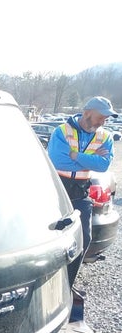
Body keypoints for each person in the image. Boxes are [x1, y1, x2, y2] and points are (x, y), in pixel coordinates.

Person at [47, 96, 117, 289]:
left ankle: (67, 284)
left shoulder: (105, 137)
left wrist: (74, 155)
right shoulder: (62, 131)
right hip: (56, 190)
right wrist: (89, 159)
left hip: (80, 192)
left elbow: (103, 165)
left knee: (83, 238)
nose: (103, 122)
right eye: (101, 117)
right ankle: (49, 282)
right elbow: (58, 161)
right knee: (51, 237)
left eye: (106, 118)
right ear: (87, 113)